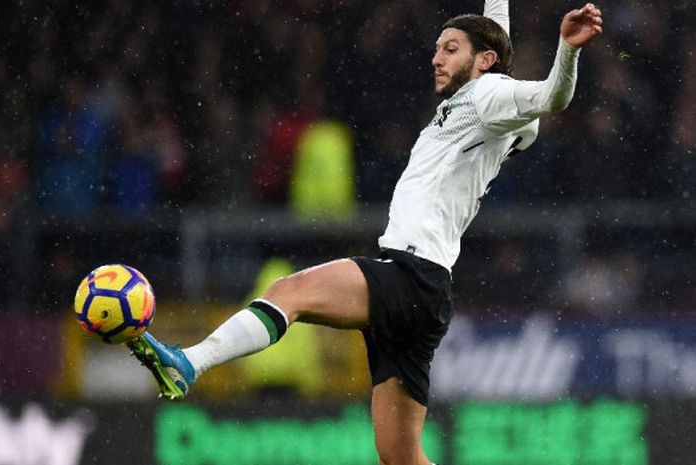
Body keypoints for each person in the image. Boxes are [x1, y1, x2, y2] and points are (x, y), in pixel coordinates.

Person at [128, 2, 602, 464]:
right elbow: (496, 37)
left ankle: (189, 362)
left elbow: (551, 96)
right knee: (400, 457)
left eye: (450, 48)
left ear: (484, 62)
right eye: (437, 47)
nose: (436, 57)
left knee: (289, 292)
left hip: (410, 274)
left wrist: (568, 49)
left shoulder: (488, 96)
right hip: (424, 294)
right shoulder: (478, 103)